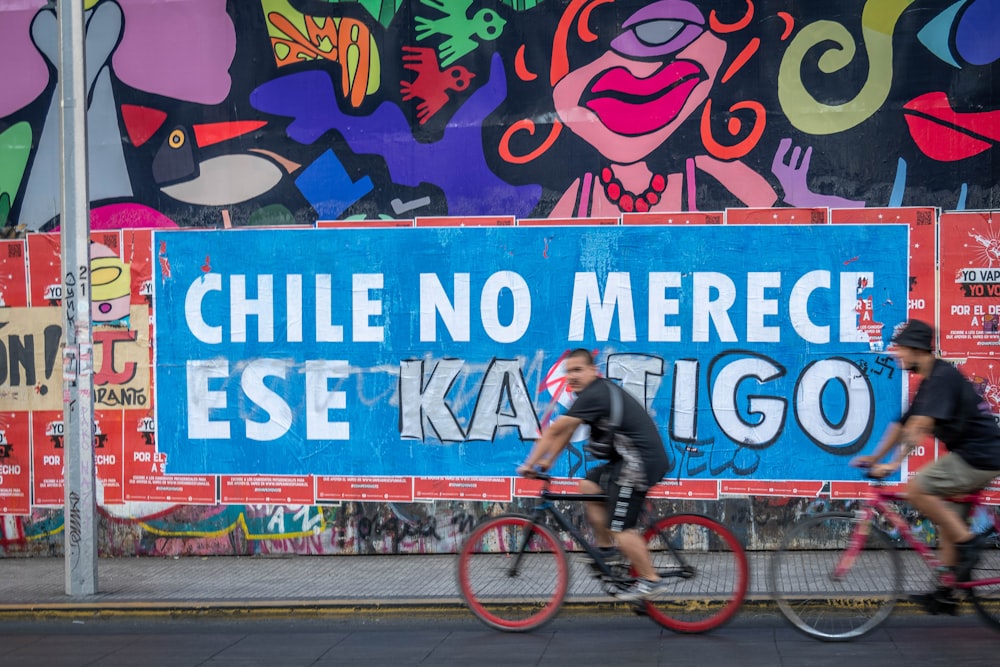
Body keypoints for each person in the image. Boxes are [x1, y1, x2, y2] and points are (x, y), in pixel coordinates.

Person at [853, 320, 1000, 614]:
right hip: (975, 455)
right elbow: (902, 423)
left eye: (901, 349)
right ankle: (946, 593)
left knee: (918, 488)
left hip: (980, 456)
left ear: (917, 350)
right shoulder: (930, 380)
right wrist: (874, 457)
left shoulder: (943, 377)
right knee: (948, 521)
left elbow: (922, 424)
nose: (896, 355)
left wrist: (893, 464)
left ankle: (970, 545)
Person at [518, 348, 670, 601]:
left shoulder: (595, 393)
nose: (572, 376)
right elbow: (567, 431)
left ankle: (650, 580)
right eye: (568, 372)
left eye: (578, 370)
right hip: (626, 460)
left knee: (620, 527)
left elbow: (555, 429)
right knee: (588, 485)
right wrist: (547, 464)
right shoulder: (589, 395)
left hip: (639, 463)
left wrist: (529, 464)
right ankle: (606, 550)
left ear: (593, 371)